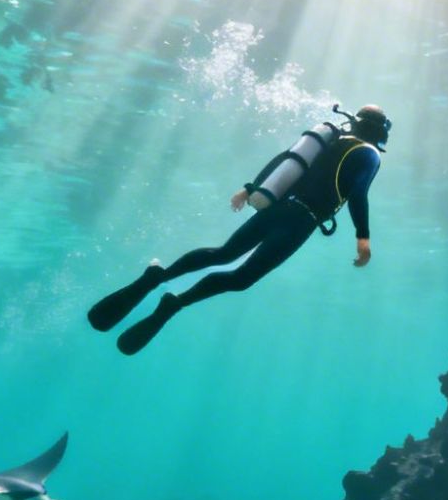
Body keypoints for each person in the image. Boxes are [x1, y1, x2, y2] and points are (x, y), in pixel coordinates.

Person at [90, 104, 391, 355]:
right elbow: (358, 193)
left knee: (223, 253)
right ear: (380, 132)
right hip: (301, 220)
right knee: (242, 277)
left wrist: (249, 189)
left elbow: (286, 161)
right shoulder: (368, 154)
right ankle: (175, 303)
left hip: (277, 207)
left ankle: (158, 276)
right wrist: (362, 237)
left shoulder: (330, 141)